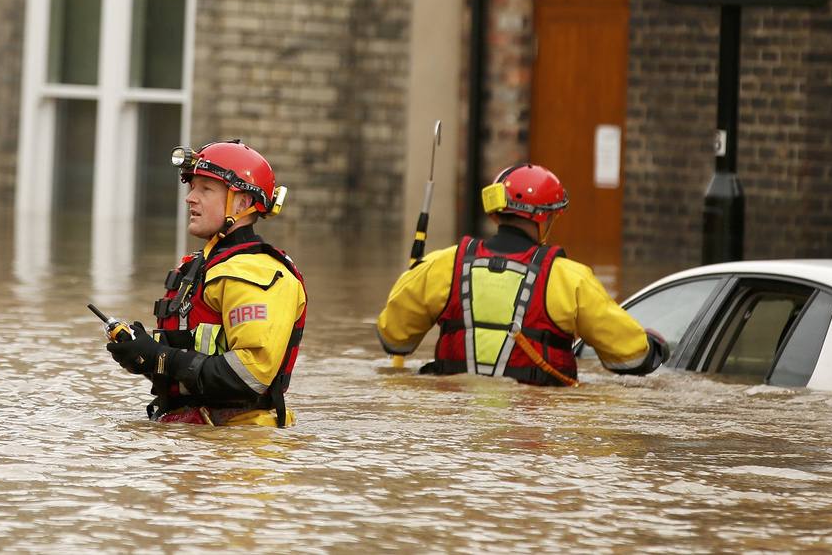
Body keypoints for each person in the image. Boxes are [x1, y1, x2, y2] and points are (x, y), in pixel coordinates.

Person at [377, 162, 667, 386]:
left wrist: (410, 279)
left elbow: (394, 339)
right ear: (547, 218)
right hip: (532, 434)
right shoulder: (571, 279)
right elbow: (631, 358)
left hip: (455, 429)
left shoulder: (442, 265)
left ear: (494, 213)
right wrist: (654, 348)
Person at [105, 140, 307, 426]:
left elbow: (250, 375)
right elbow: (196, 368)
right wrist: (143, 356)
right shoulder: (206, 265)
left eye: (206, 189)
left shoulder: (258, 273)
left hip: (242, 449)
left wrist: (160, 356)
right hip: (200, 434)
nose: (190, 198)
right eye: (192, 187)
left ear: (243, 202)